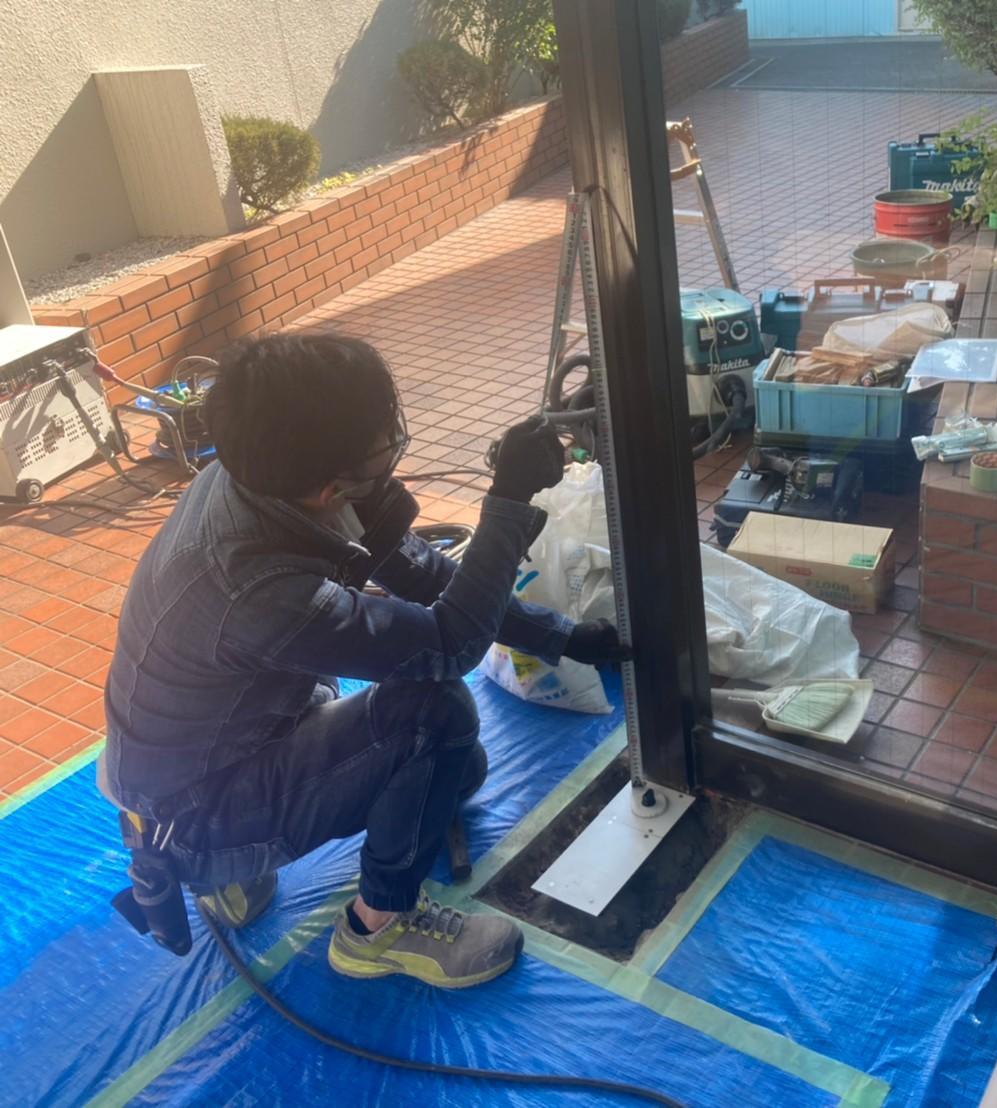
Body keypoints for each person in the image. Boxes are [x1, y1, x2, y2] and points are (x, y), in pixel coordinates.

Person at [98, 332, 625, 989]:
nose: (391, 439)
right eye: (383, 438)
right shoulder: (255, 589)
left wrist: (562, 636)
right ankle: (377, 928)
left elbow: (419, 572)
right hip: (194, 813)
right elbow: (449, 647)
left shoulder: (262, 472)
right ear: (332, 485)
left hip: (201, 757)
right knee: (434, 714)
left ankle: (232, 868)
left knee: (456, 767)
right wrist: (510, 499)